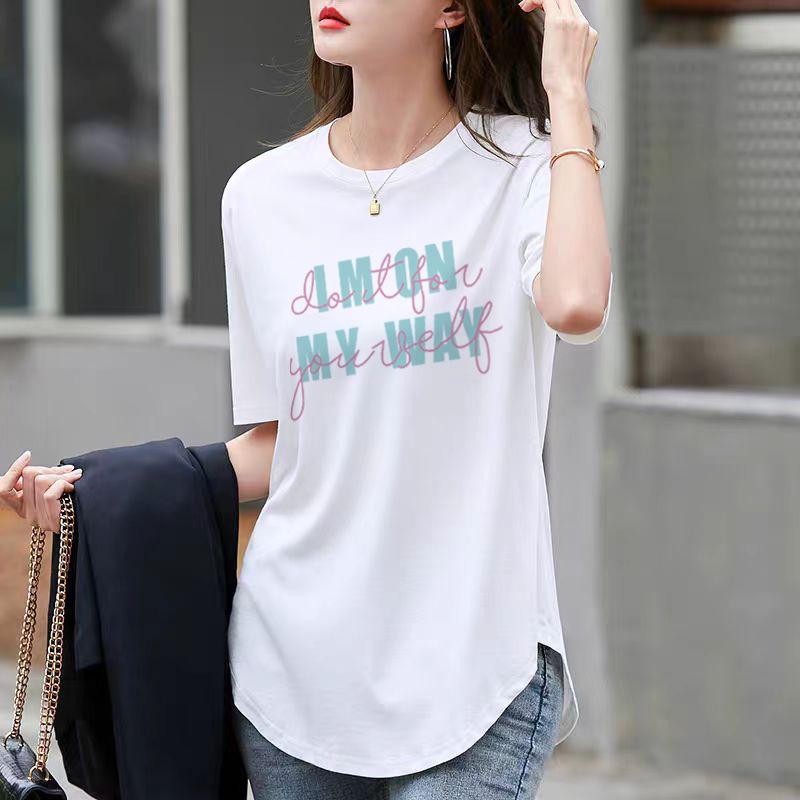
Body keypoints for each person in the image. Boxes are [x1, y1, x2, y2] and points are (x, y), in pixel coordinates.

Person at [2, 0, 613, 797]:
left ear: (452, 10)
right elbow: (290, 441)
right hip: (295, 676)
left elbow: (576, 303)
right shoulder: (262, 197)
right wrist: (101, 491)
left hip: (477, 664)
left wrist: (568, 97)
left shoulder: (527, 164)